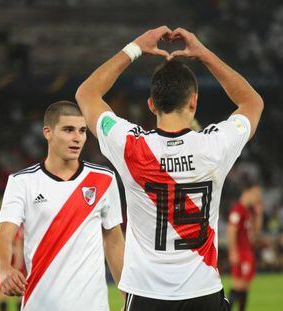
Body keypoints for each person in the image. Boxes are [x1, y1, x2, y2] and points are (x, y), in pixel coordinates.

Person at [76, 26, 264, 311]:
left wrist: (136, 47)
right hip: (203, 292)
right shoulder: (215, 145)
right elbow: (252, 102)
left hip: (147, 294)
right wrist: (204, 54)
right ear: (194, 101)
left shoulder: (130, 147)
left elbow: (87, 94)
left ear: (151, 105)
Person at [0, 101, 125, 311]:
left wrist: (128, 298)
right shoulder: (21, 182)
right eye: (68, 130)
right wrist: (5, 269)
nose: (77, 138)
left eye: (82, 131)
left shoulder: (104, 179)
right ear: (48, 132)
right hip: (40, 305)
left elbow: (114, 241)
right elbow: (4, 235)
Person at [227, 183, 263, 311]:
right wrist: (233, 251)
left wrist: (259, 214)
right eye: (256, 194)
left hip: (248, 251)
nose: (258, 198)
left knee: (245, 286)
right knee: (238, 285)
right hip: (241, 252)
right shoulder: (238, 210)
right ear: (247, 193)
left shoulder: (248, 211)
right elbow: (231, 230)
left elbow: (255, 235)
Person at [0, 199, 25, 311]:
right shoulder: (16, 223)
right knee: (20, 293)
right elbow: (18, 244)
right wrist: (19, 263)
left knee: (2, 292)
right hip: (12, 258)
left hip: (2, 260)